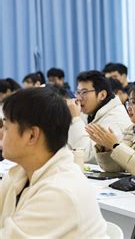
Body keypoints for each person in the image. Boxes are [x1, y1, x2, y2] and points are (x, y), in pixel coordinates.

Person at [0, 88, 107, 237]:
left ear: (32, 135)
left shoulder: (59, 192)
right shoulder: (18, 175)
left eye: (5, 127)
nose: (1, 133)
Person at [67, 70, 133, 163]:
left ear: (102, 95)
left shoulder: (115, 118)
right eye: (78, 92)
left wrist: (75, 120)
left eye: (84, 92)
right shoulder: (91, 113)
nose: (79, 98)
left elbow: (88, 157)